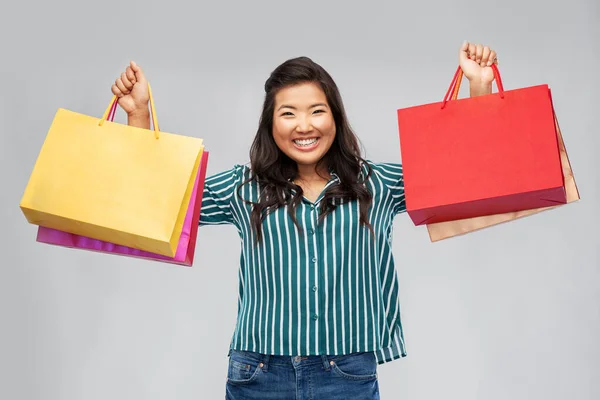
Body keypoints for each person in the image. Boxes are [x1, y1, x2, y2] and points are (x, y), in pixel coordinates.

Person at [111, 41, 498, 400]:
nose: (304, 125)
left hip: (346, 373)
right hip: (258, 373)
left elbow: (464, 182)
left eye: (317, 110)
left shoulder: (378, 184)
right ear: (271, 124)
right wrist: (139, 114)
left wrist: (478, 89)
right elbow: (162, 200)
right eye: (288, 113)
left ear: (335, 116)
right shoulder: (243, 188)